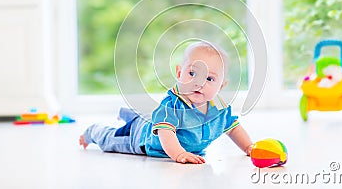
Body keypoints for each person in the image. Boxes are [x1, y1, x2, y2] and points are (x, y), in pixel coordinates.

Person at [79, 41, 253, 164]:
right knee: (112, 140)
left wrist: (248, 147)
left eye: (209, 78)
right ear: (179, 73)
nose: (199, 83)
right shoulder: (172, 105)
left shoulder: (219, 108)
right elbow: (166, 132)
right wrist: (179, 154)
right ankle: (93, 131)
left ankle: (129, 114)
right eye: (192, 74)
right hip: (141, 140)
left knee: (147, 117)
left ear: (221, 86)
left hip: (152, 122)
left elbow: (233, 127)